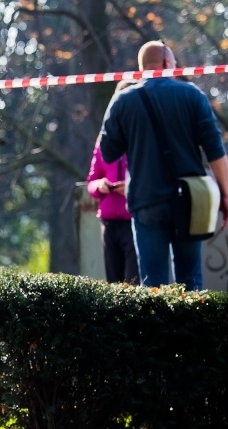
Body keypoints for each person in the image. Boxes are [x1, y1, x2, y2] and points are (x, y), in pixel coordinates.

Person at [99, 41, 228, 290]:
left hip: (146, 199)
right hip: (191, 200)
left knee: (153, 285)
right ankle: (190, 328)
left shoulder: (122, 101)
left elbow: (108, 153)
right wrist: (225, 196)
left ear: (141, 68)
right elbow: (215, 150)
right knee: (190, 280)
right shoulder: (192, 95)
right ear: (167, 64)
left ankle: (157, 329)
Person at [86, 82, 139, 284]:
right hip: (109, 222)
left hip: (134, 219)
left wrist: (132, 189)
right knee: (114, 283)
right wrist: (100, 185)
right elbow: (91, 181)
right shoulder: (103, 141)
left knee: (134, 283)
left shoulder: (141, 137)